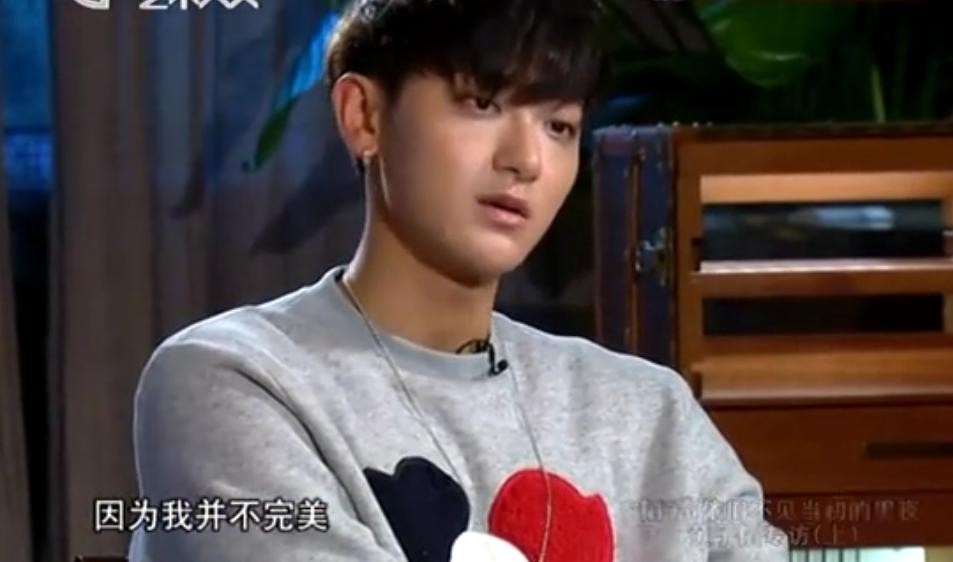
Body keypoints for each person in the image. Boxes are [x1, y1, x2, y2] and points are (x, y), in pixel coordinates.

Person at [129, 0, 789, 560]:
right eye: (482, 102)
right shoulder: (233, 379)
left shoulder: (647, 411)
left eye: (559, 126)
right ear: (363, 116)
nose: (526, 159)